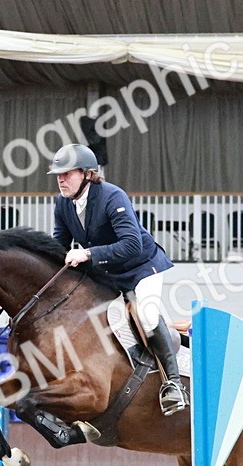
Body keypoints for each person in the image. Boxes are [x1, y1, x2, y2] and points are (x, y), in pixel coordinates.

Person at [47, 143, 187, 415]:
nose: (60, 179)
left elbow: (132, 245)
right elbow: (59, 246)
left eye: (67, 173)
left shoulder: (113, 196)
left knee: (146, 314)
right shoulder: (63, 204)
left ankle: (173, 384)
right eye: (57, 174)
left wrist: (87, 253)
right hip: (106, 273)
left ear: (88, 174)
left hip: (140, 268)